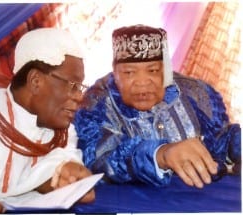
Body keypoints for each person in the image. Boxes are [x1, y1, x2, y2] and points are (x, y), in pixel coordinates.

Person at [74, 24, 241, 189]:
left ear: (166, 71)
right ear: (115, 72)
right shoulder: (96, 103)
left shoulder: (196, 93)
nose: (142, 82)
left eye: (153, 71)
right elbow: (98, 160)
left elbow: (221, 140)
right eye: (129, 73)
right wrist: (161, 155)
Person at [0, 28, 95, 214]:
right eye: (74, 86)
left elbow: (55, 166)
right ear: (35, 81)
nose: (79, 96)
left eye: (81, 87)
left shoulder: (63, 132)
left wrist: (66, 175)